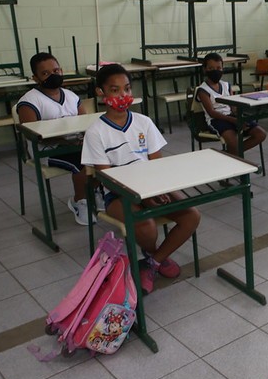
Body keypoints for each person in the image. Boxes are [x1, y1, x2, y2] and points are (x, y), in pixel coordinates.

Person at [81, 64, 201, 294]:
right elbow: (107, 177)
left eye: (127, 89)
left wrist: (157, 189)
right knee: (146, 227)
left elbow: (157, 164)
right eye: (115, 90)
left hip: (151, 185)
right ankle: (156, 254)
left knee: (191, 216)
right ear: (101, 93)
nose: (123, 96)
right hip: (117, 192)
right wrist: (143, 198)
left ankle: (153, 262)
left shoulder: (143, 122)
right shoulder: (96, 131)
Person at [16, 52, 101, 226]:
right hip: (46, 150)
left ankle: (94, 193)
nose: (53, 75)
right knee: (83, 162)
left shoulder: (71, 96)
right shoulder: (29, 102)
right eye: (46, 73)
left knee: (107, 155)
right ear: (35, 78)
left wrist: (86, 139)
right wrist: (66, 141)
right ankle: (80, 202)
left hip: (74, 144)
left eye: (56, 70)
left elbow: (84, 123)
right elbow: (32, 135)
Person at [195, 53, 266, 157]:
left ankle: (227, 154)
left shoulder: (226, 85)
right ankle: (234, 153)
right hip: (216, 121)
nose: (215, 70)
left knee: (261, 134)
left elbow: (233, 107)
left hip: (231, 117)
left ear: (223, 69)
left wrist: (240, 118)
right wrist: (235, 121)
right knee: (234, 144)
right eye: (211, 68)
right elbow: (212, 112)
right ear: (205, 69)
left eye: (219, 67)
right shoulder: (202, 90)